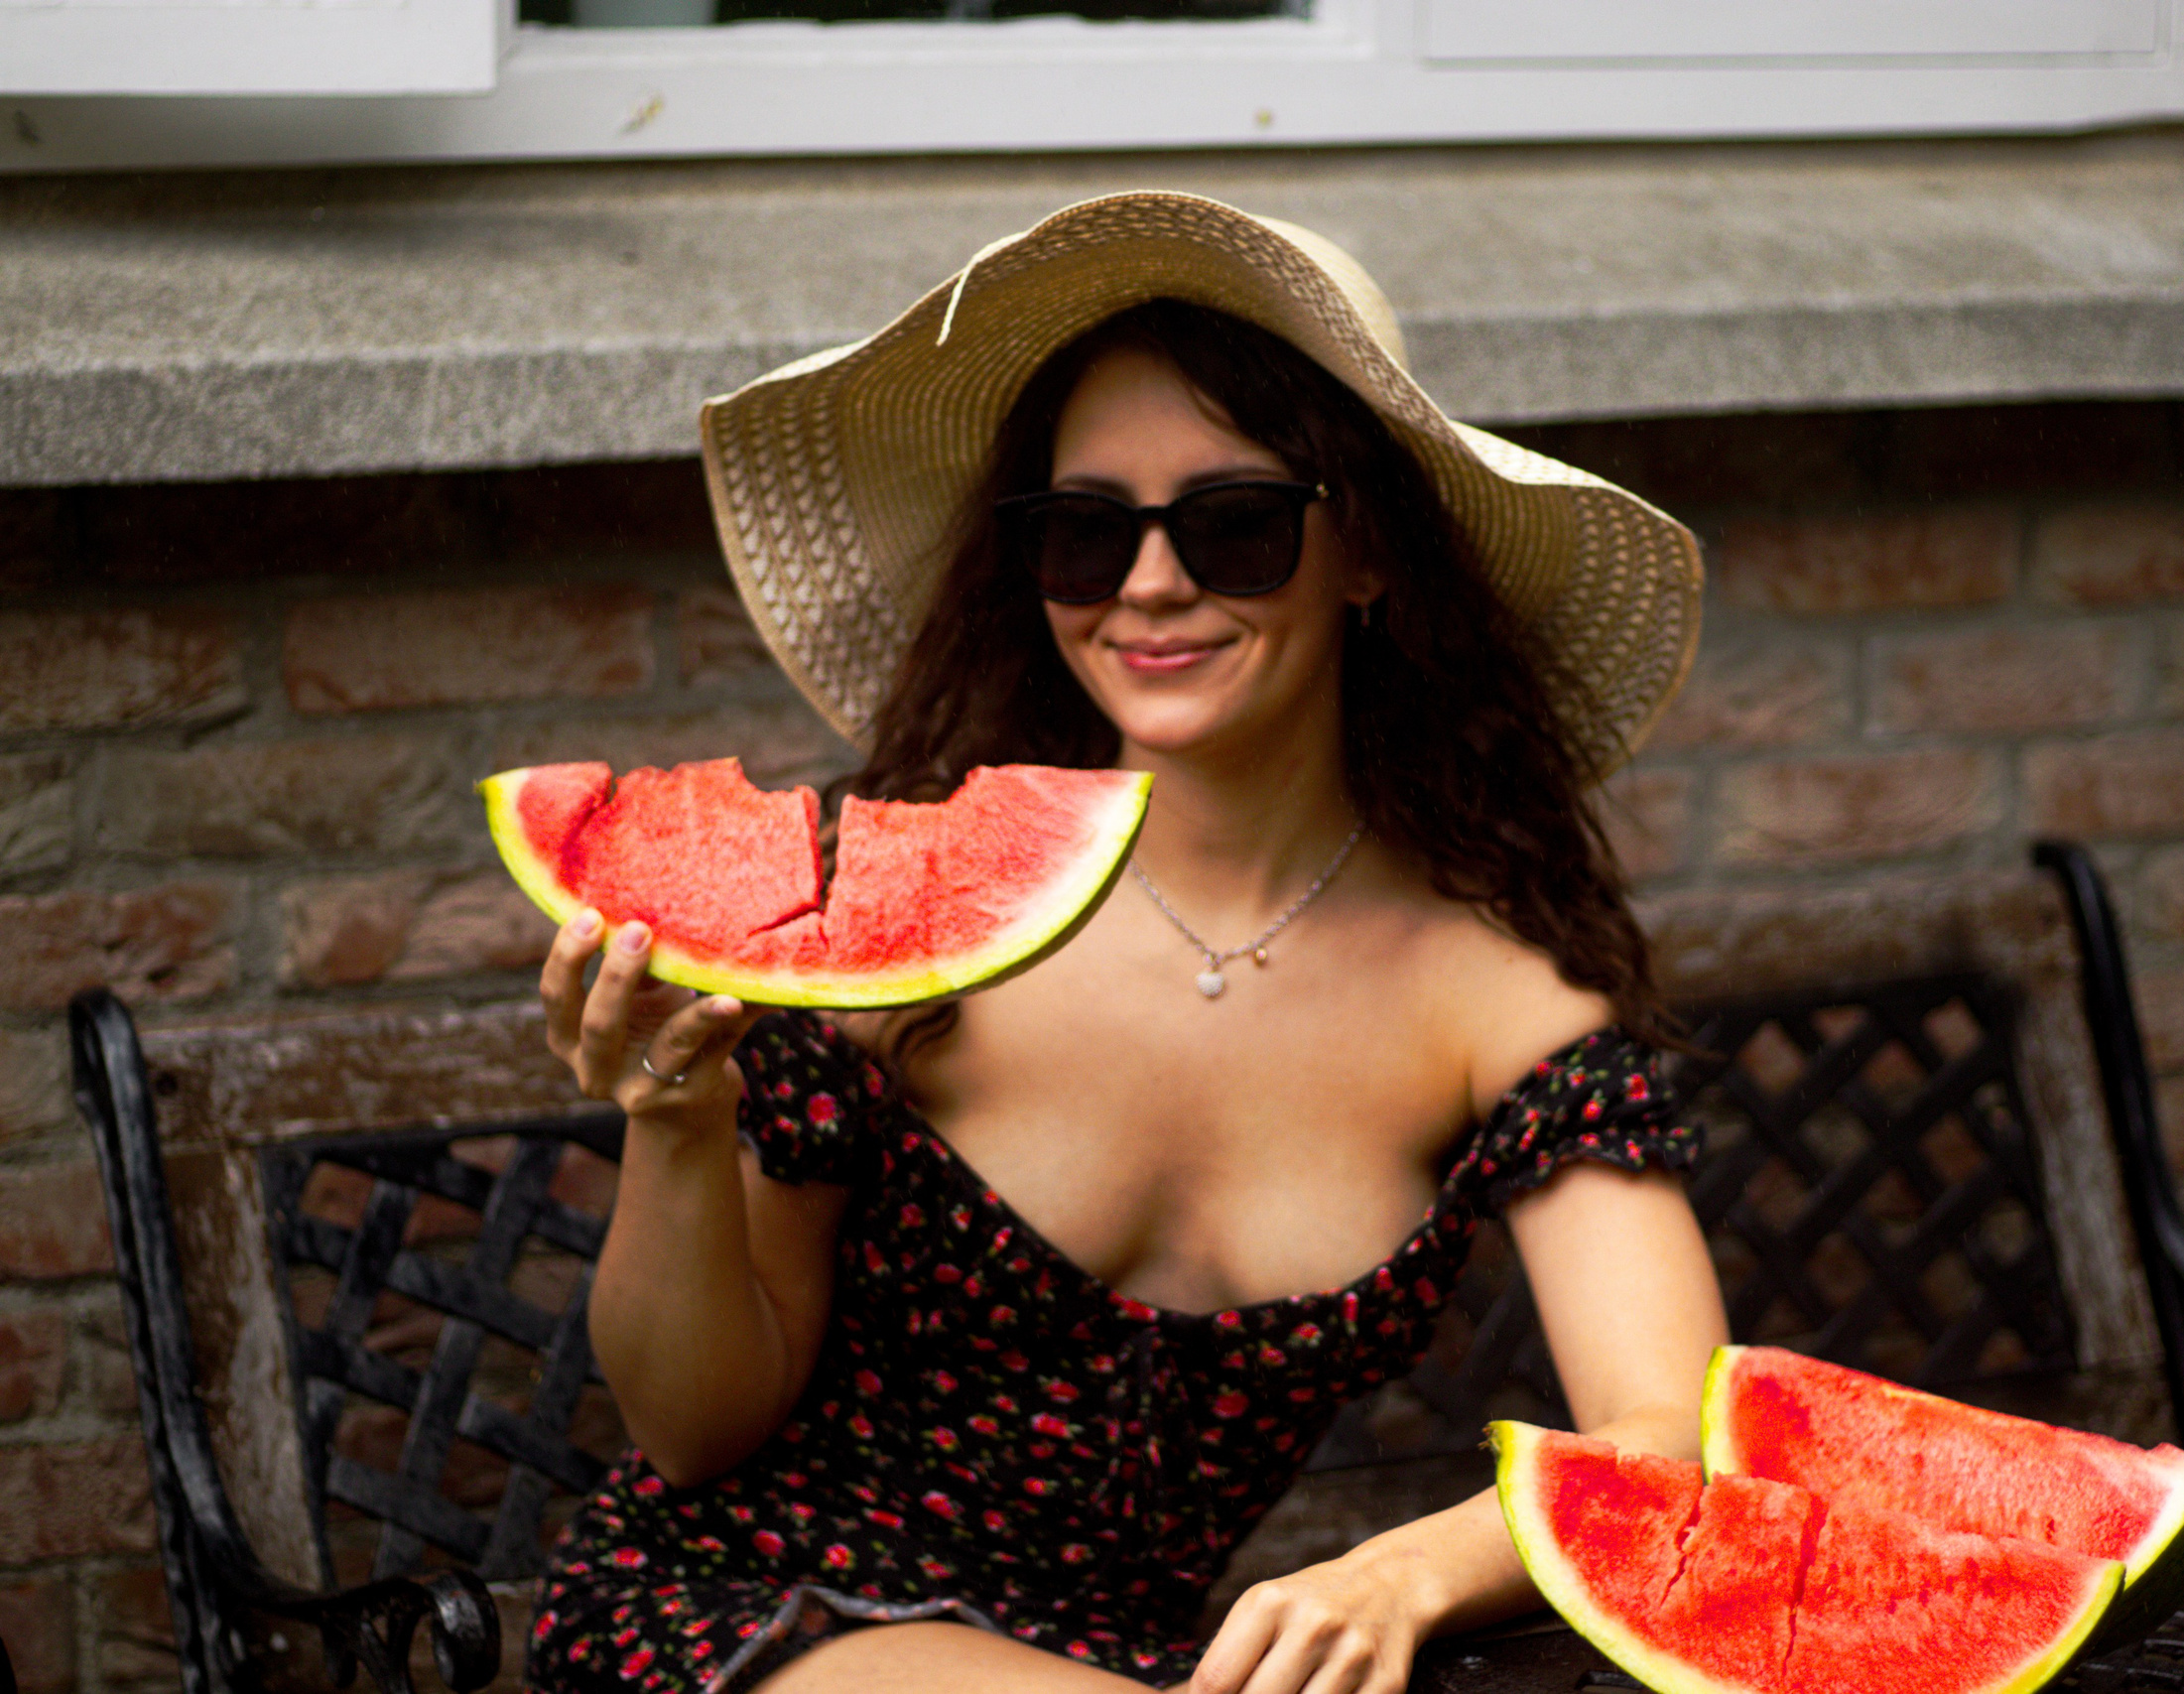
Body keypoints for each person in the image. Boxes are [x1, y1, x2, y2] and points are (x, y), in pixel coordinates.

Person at [523, 193, 1729, 1694]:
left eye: (1232, 526)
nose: (1151, 587)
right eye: (1084, 536)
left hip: (1133, 1665)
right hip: (744, 1622)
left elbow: (1671, 1451)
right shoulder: (887, 925)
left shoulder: (1507, 1008)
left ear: (1367, 553)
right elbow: (696, 1431)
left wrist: (1407, 1568)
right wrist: (677, 1126)